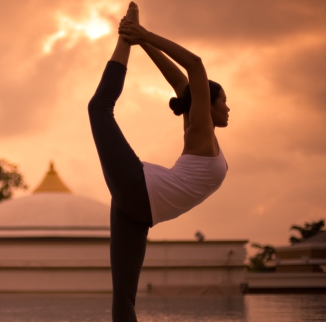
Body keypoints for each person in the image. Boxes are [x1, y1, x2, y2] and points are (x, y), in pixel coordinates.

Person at [87, 2, 229, 321]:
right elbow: (195, 65)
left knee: (125, 297)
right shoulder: (201, 129)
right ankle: (122, 41)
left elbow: (181, 83)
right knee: (99, 107)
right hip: (140, 189)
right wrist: (139, 35)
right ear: (209, 105)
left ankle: (128, 36)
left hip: (141, 212)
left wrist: (144, 40)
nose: (228, 108)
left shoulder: (199, 127)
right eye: (224, 101)